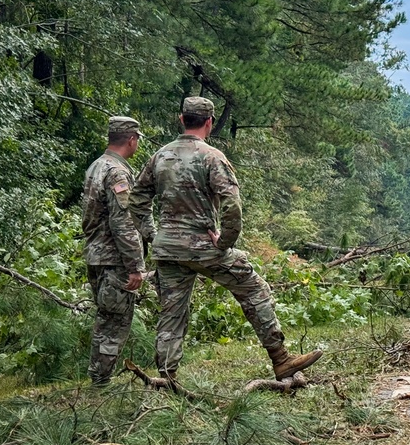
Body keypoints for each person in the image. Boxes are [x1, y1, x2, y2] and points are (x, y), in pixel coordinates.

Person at [130, 96, 321, 382]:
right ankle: (281, 359)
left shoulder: (159, 156)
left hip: (168, 249)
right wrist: (224, 242)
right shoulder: (212, 157)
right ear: (209, 122)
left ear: (181, 119)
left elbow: (136, 199)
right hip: (204, 247)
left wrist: (153, 233)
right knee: (253, 288)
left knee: (171, 314)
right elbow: (231, 204)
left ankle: (166, 378)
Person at [81, 116, 146, 386]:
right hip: (114, 260)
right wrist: (135, 266)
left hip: (96, 255)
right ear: (131, 139)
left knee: (106, 319)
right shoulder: (117, 172)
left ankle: (98, 378)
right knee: (113, 324)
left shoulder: (96, 166)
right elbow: (123, 223)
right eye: (137, 138)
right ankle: (100, 382)